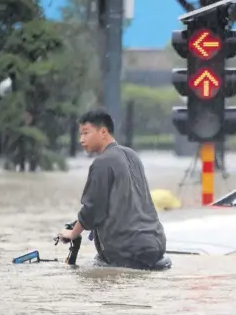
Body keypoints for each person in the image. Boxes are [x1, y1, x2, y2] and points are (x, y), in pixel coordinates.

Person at [58, 109, 168, 270]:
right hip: (156, 245)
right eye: (80, 134)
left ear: (103, 132)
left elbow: (92, 209)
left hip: (126, 251)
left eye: (86, 133)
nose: (81, 140)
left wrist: (72, 233)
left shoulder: (102, 163)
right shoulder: (133, 155)